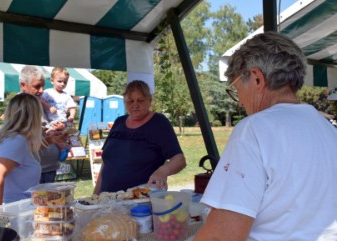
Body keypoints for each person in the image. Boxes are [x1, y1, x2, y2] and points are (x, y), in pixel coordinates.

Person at [194, 32, 337, 241]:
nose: (240, 102)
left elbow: (222, 236)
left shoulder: (254, 129)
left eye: (236, 89)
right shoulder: (328, 129)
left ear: (257, 78)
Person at [93, 80, 186, 194]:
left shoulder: (158, 123)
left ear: (149, 101)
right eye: (130, 101)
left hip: (140, 202)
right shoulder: (119, 122)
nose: (135, 105)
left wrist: (162, 172)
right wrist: (95, 195)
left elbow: (179, 160)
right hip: (108, 200)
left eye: (140, 100)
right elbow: (106, 163)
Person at [0, 93, 43, 208]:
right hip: (16, 212)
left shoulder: (7, 137)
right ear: (35, 116)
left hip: (16, 210)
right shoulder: (17, 140)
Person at [20, 65, 68, 183]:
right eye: (37, 86)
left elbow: (43, 130)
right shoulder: (19, 106)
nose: (41, 90)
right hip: (34, 169)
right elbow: (22, 143)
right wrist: (50, 137)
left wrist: (55, 130)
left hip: (48, 166)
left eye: (43, 86)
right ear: (23, 85)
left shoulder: (38, 102)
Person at [41, 67, 76, 160]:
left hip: (62, 121)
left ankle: (64, 149)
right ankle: (62, 149)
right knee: (51, 134)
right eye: (59, 81)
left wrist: (71, 116)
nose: (62, 84)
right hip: (51, 121)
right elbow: (40, 100)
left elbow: (72, 107)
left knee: (62, 135)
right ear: (52, 81)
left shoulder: (66, 95)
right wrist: (48, 107)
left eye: (65, 82)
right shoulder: (47, 92)